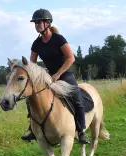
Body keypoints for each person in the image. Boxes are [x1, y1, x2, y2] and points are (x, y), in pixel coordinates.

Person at [21, 8, 90, 144]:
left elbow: (71, 58)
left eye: (38, 23)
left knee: (76, 96)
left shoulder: (58, 39)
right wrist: (41, 74)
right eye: (35, 23)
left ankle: (81, 131)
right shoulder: (36, 44)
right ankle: (32, 130)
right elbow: (32, 65)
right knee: (31, 98)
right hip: (48, 76)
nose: (36, 25)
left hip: (64, 74)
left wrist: (58, 74)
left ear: (47, 23)